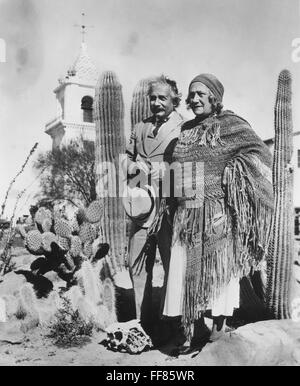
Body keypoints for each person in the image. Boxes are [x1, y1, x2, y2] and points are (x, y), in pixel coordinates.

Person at [162, 73, 274, 351]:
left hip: (216, 213)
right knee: (183, 272)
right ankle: (188, 331)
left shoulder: (231, 125)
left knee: (218, 273)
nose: (195, 98)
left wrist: (234, 173)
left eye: (201, 93)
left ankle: (218, 331)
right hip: (186, 215)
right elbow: (174, 166)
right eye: (192, 94)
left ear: (215, 97)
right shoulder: (185, 130)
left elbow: (260, 152)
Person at [123, 75, 184, 344]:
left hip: (170, 207)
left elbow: (189, 166)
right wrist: (132, 167)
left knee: (174, 265)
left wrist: (162, 172)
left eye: (163, 98)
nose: (157, 103)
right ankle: (141, 324)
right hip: (141, 206)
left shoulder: (185, 126)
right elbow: (126, 156)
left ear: (174, 100)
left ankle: (175, 325)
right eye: (153, 98)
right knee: (136, 265)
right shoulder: (139, 127)